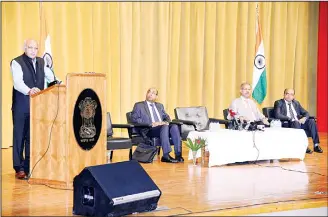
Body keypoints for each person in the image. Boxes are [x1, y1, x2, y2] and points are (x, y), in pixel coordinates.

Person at [11, 39, 57, 179]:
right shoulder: (16, 62)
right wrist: (30, 90)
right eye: (30, 47)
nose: (33, 50)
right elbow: (18, 83)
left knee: (32, 137)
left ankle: (29, 166)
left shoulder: (41, 62)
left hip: (37, 106)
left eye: (35, 48)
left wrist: (60, 83)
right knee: (20, 136)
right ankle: (19, 168)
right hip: (21, 105)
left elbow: (50, 77)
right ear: (25, 48)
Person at [131, 88, 183, 163]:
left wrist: (165, 122)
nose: (150, 94)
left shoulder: (160, 106)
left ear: (156, 96)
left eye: (153, 93)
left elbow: (167, 117)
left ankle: (178, 154)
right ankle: (166, 155)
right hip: (149, 129)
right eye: (149, 92)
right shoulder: (139, 105)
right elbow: (134, 119)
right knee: (164, 127)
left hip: (162, 128)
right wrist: (151, 123)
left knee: (174, 126)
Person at [273, 88, 323, 154]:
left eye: (291, 94)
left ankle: (316, 145)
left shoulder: (296, 103)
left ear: (293, 96)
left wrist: (304, 118)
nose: (289, 96)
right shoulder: (279, 102)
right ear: (284, 94)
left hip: (298, 122)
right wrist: (291, 118)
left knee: (311, 121)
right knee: (296, 122)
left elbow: (306, 113)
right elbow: (277, 115)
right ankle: (303, 146)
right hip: (288, 123)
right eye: (287, 94)